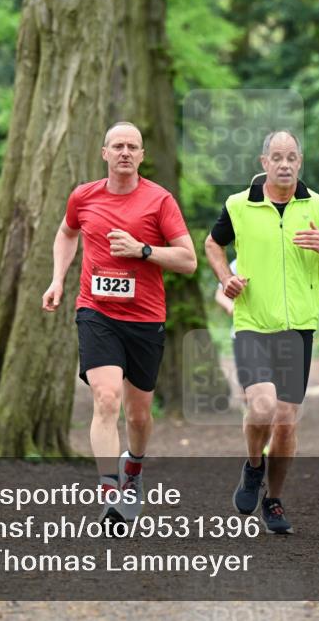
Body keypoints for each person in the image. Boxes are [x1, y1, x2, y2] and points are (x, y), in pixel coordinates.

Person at [42, 121, 197, 522]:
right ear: (105, 153)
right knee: (106, 397)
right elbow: (66, 233)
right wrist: (58, 279)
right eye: (118, 146)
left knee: (138, 415)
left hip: (145, 318)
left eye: (133, 146)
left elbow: (188, 260)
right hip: (96, 312)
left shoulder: (159, 201)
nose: (125, 152)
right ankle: (110, 487)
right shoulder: (84, 196)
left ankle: (134, 468)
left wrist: (143, 250)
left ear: (142, 155)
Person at [205, 130, 319, 534]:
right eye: (276, 157)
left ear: (300, 161)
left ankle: (275, 500)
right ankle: (254, 468)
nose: (284, 164)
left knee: (286, 422)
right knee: (263, 407)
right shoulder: (238, 205)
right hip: (252, 323)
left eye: (291, 157)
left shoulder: (318, 206)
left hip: (298, 328)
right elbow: (213, 245)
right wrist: (224, 279)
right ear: (263, 161)